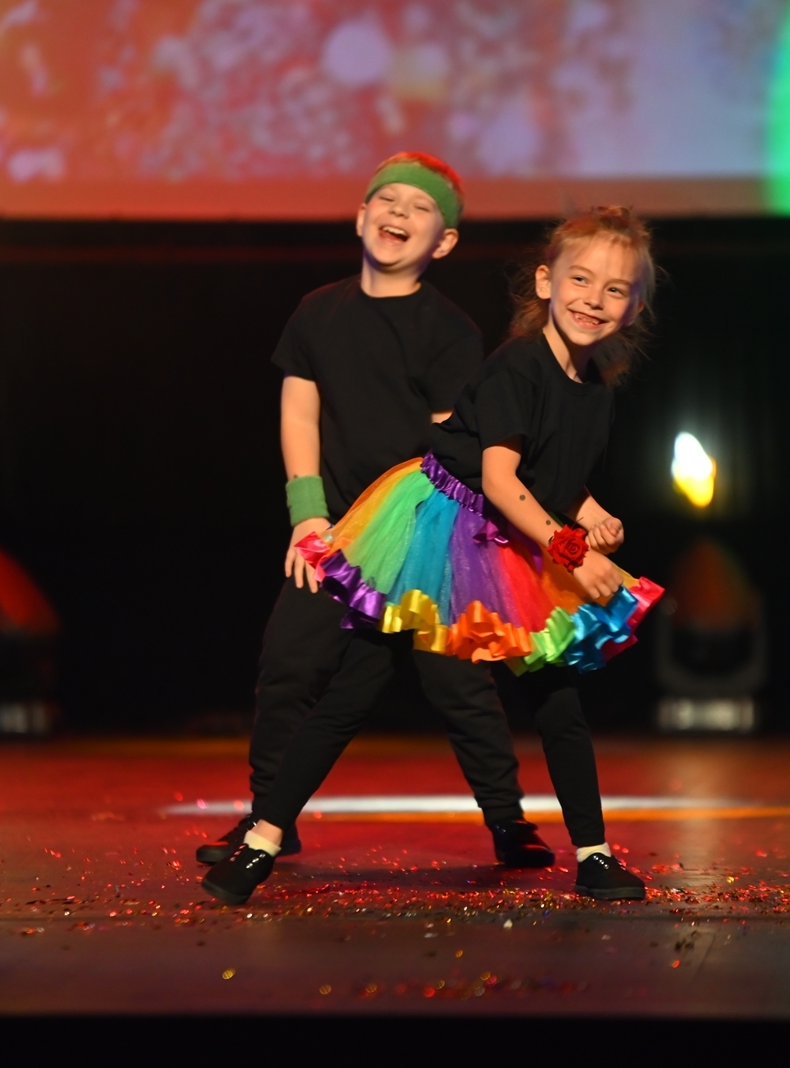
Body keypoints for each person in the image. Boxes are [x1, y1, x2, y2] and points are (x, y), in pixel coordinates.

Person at [203, 206, 665, 905]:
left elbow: (551, 475)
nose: (593, 299)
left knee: (557, 696)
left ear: (633, 309)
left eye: (614, 290)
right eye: (580, 279)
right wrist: (573, 552)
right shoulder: (518, 366)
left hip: (509, 536)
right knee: (356, 687)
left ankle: (594, 855)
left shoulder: (594, 387)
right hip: (438, 530)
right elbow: (502, 481)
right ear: (546, 281)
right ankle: (262, 841)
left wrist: (593, 514)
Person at [196, 153, 552, 871]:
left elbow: (452, 445)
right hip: (336, 533)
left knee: (457, 679)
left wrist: (426, 542)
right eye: (386, 200)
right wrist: (308, 517)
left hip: (423, 531)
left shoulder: (448, 331)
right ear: (361, 216)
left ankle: (508, 821)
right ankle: (271, 816)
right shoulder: (317, 312)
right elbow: (300, 415)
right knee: (288, 665)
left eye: (419, 209)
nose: (398, 214)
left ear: (443, 242)